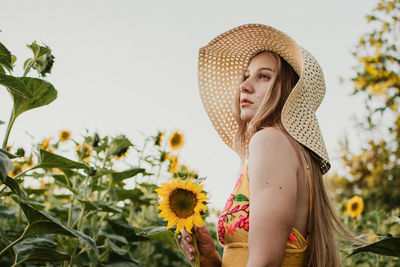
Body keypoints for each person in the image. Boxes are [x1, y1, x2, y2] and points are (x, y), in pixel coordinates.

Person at [179, 24, 367, 267]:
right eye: (245, 76)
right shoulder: (287, 150)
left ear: (289, 91)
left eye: (263, 76)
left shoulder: (270, 141)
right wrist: (209, 257)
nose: (244, 87)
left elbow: (265, 263)